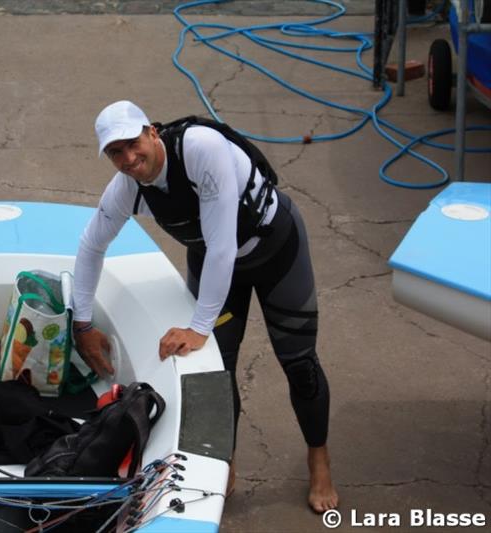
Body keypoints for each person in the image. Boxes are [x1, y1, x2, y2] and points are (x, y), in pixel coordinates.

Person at [70, 100, 338, 513]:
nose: (128, 159)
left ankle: (318, 458)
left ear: (152, 132)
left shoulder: (200, 148)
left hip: (276, 252)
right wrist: (83, 324)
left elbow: (222, 245)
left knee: (299, 363)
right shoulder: (126, 186)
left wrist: (198, 327)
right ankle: (224, 462)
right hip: (216, 265)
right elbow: (91, 246)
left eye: (132, 144)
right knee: (217, 371)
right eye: (115, 153)